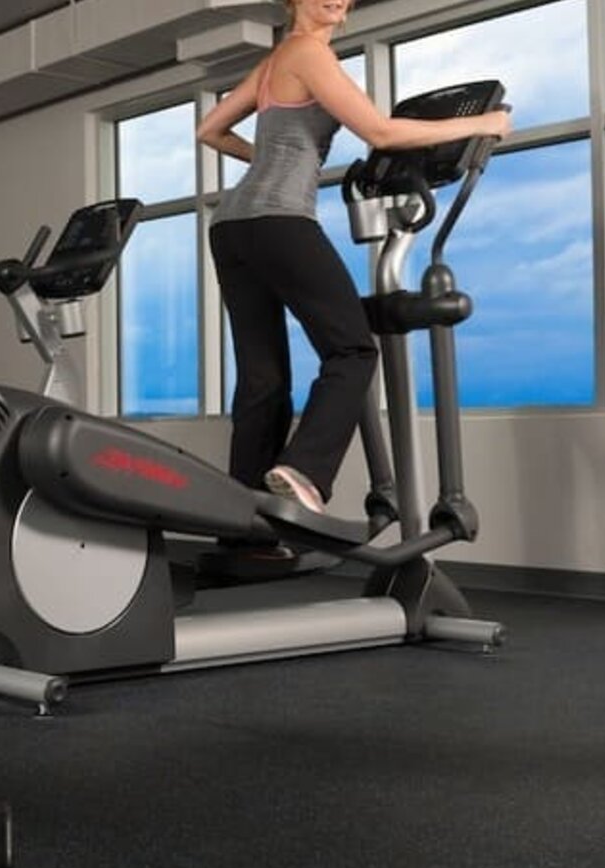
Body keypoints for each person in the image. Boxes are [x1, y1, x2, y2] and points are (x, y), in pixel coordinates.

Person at [196, 0, 510, 516]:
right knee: (354, 351)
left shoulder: (275, 60)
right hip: (279, 219)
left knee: (262, 378)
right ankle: (304, 471)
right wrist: (484, 121)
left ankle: (245, 525)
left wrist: (272, 162)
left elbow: (209, 129)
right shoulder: (310, 54)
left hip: (231, 227)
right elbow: (381, 133)